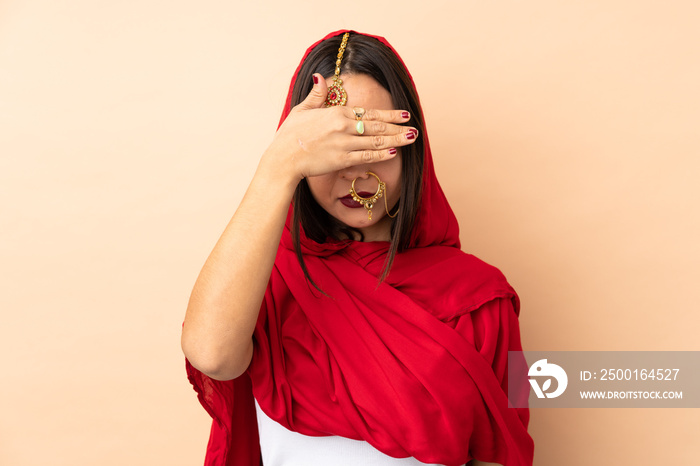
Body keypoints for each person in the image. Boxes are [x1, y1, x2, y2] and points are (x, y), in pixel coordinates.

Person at [181, 30, 535, 466]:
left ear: (412, 146)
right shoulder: (261, 286)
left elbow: (500, 451)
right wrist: (278, 166)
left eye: (375, 141)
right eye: (336, 145)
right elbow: (211, 356)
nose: (358, 173)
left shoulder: (485, 298)